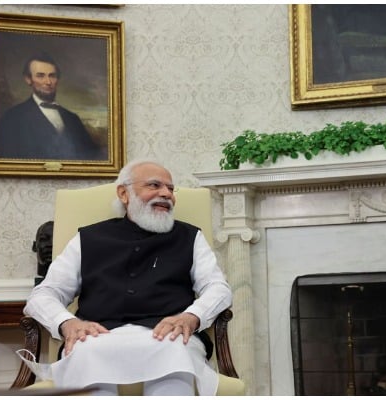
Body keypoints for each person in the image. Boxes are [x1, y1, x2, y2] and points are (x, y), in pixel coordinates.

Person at [21, 159, 233, 395]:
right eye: (154, 185)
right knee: (88, 353)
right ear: (124, 193)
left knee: (175, 351)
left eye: (171, 189)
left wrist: (191, 317)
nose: (166, 194)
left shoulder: (190, 237)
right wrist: (67, 323)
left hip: (168, 337)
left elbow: (218, 288)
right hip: (99, 337)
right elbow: (44, 294)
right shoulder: (88, 238)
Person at [0, 52, 106, 160]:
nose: (48, 82)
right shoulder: (12, 118)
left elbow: (92, 157)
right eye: (40, 76)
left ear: (57, 79)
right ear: (28, 79)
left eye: (52, 76)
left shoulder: (73, 119)